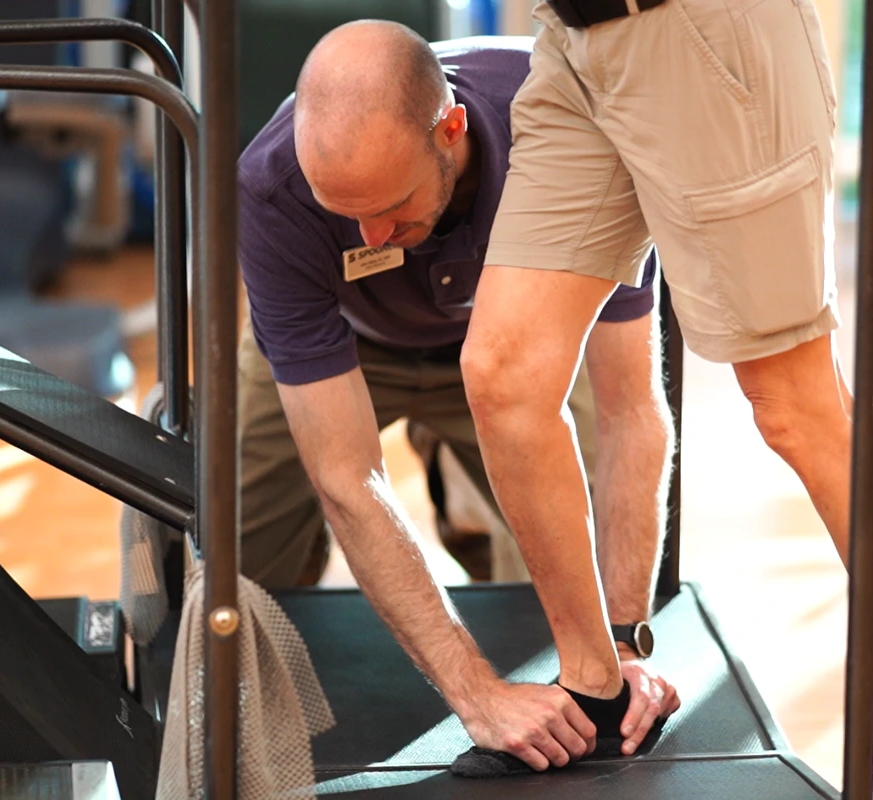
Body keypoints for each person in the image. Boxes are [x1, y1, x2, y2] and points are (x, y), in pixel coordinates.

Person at [458, 0, 873, 796]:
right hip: (570, 40)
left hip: (703, 31)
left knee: (793, 406)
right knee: (504, 371)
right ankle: (595, 681)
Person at [236, 20, 680, 772]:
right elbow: (349, 478)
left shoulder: (573, 131)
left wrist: (622, 634)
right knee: (226, 575)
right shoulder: (272, 188)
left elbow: (630, 411)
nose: (372, 230)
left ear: (450, 130)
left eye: (391, 204)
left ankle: (487, 528)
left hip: (521, 348)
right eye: (347, 212)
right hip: (346, 346)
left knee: (559, 603)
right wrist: (476, 695)